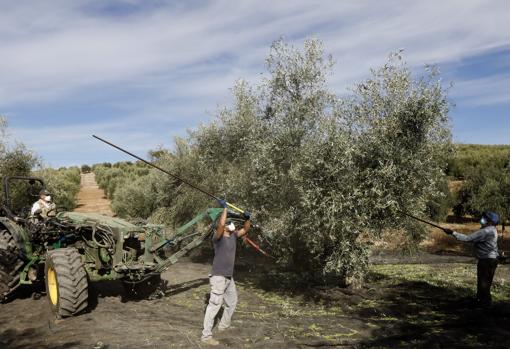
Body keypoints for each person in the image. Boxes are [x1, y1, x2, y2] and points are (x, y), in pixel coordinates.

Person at [201, 198, 251, 346]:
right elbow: (221, 224)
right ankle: (206, 336)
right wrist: (224, 209)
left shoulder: (234, 237)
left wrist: (248, 218)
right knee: (214, 306)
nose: (232, 225)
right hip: (218, 277)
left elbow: (246, 229)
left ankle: (223, 326)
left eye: (233, 224)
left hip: (229, 277)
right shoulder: (218, 238)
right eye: (230, 223)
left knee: (232, 302)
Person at [444, 211, 501, 307]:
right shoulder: (492, 230)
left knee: (483, 283)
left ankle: (484, 304)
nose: (482, 219)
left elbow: (467, 238)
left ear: (490, 221)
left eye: (484, 218)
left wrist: (452, 233)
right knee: (486, 283)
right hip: (491, 259)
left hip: (486, 260)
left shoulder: (485, 231)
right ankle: (482, 301)